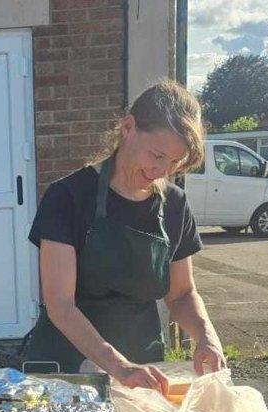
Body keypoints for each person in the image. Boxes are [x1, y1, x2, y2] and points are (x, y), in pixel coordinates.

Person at [24, 80, 227, 393]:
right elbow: (60, 305)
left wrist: (205, 337)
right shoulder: (67, 197)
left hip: (145, 368)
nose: (161, 170)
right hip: (68, 369)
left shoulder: (174, 205)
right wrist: (118, 366)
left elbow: (182, 294)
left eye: (175, 162)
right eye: (157, 155)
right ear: (128, 127)